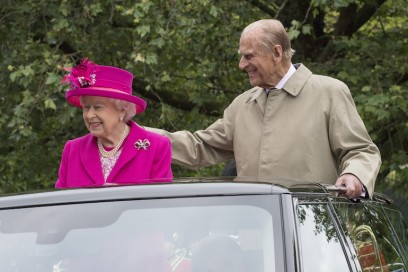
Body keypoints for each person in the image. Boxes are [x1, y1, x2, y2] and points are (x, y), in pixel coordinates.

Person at [147, 19, 381, 199]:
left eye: (249, 56)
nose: (242, 65)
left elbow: (362, 151)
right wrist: (137, 135)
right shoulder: (242, 104)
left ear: (277, 53)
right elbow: (199, 147)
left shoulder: (329, 92)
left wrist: (354, 174)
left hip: (312, 234)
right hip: (253, 235)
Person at [56, 58, 172, 188]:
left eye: (98, 107)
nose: (89, 115)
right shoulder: (73, 150)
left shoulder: (156, 147)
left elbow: (159, 203)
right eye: (86, 107)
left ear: (122, 110)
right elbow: (59, 204)